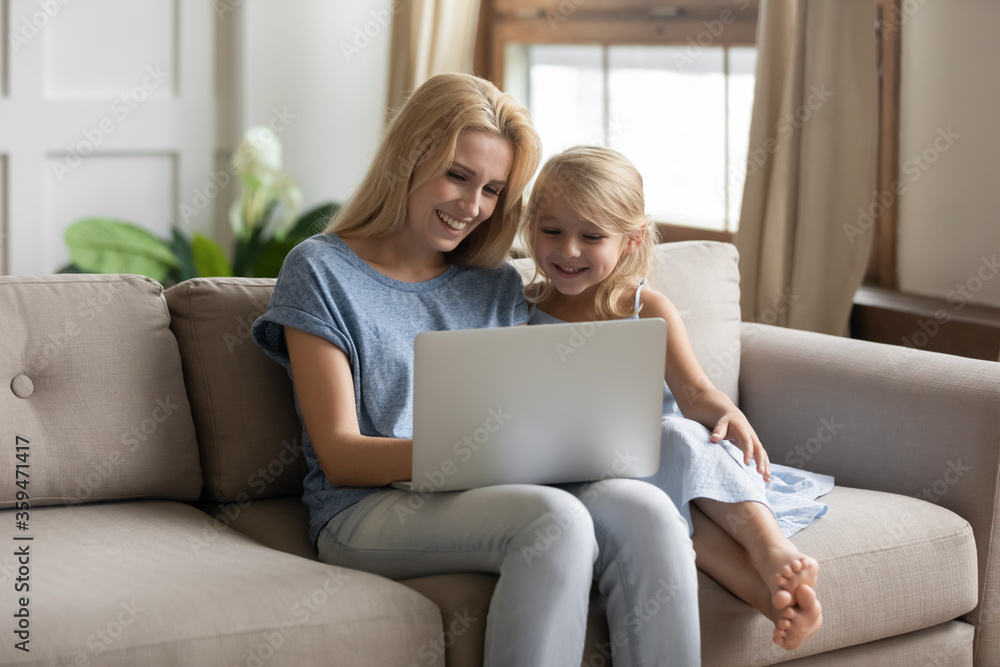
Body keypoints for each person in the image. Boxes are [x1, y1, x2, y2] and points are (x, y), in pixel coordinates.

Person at [251, 74, 701, 666]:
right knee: (554, 519)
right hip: (366, 507)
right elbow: (340, 456)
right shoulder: (320, 270)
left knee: (650, 512)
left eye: (492, 189)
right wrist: (477, 450)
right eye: (457, 175)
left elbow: (551, 386)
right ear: (408, 159)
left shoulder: (495, 283)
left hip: (500, 487)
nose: (471, 207)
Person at [521, 145, 834, 651]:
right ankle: (767, 594)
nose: (568, 250)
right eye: (551, 231)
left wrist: (728, 414)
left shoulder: (646, 308)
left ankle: (773, 553)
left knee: (676, 437)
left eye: (591, 237)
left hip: (665, 452)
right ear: (531, 226)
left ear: (631, 241)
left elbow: (695, 393)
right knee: (665, 520)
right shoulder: (522, 309)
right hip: (591, 474)